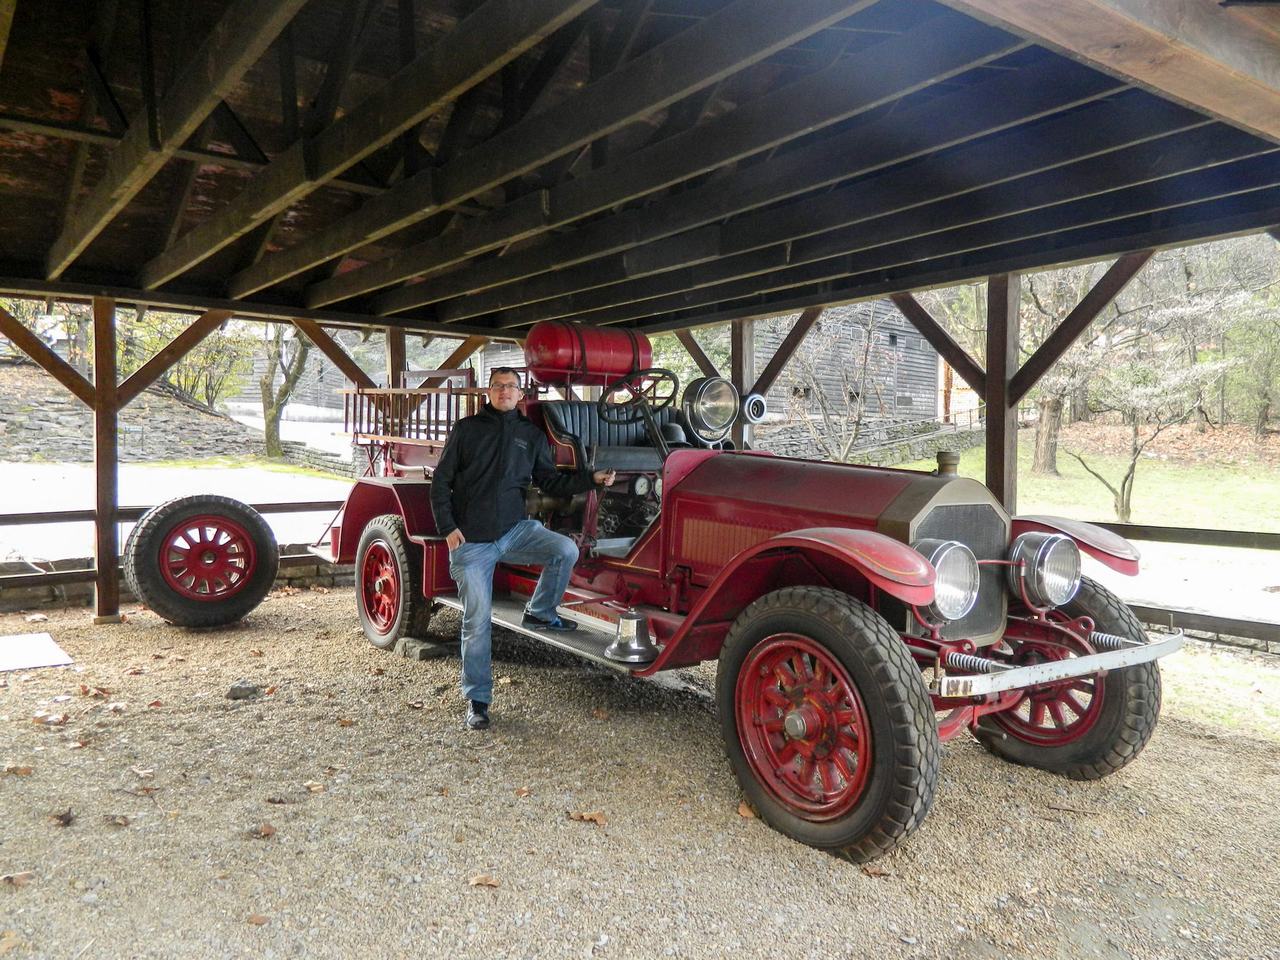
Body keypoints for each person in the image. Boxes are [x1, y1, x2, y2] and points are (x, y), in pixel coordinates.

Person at [430, 367, 615, 730]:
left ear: (520, 394)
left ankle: (540, 612)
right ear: (489, 391)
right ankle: (478, 700)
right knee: (477, 621)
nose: (505, 391)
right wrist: (448, 528)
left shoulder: (530, 435)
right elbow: (441, 481)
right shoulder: (467, 430)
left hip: (514, 533)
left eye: (511, 386)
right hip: (473, 542)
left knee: (565, 550)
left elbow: (550, 481)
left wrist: (590, 480)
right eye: (498, 386)